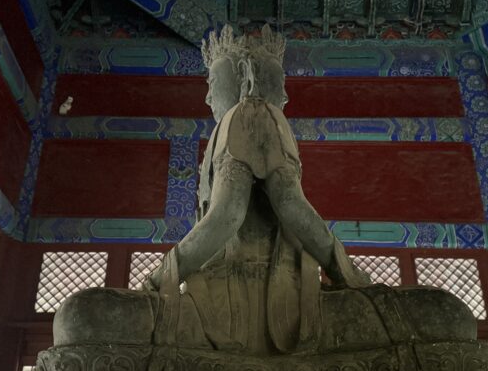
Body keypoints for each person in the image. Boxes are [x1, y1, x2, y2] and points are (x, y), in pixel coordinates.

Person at [147, 25, 369, 292]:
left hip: (246, 284)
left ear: (247, 77)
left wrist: (159, 279)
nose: (207, 97)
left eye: (212, 83)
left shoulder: (252, 114)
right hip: (234, 280)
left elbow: (234, 214)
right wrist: (345, 271)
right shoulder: (238, 122)